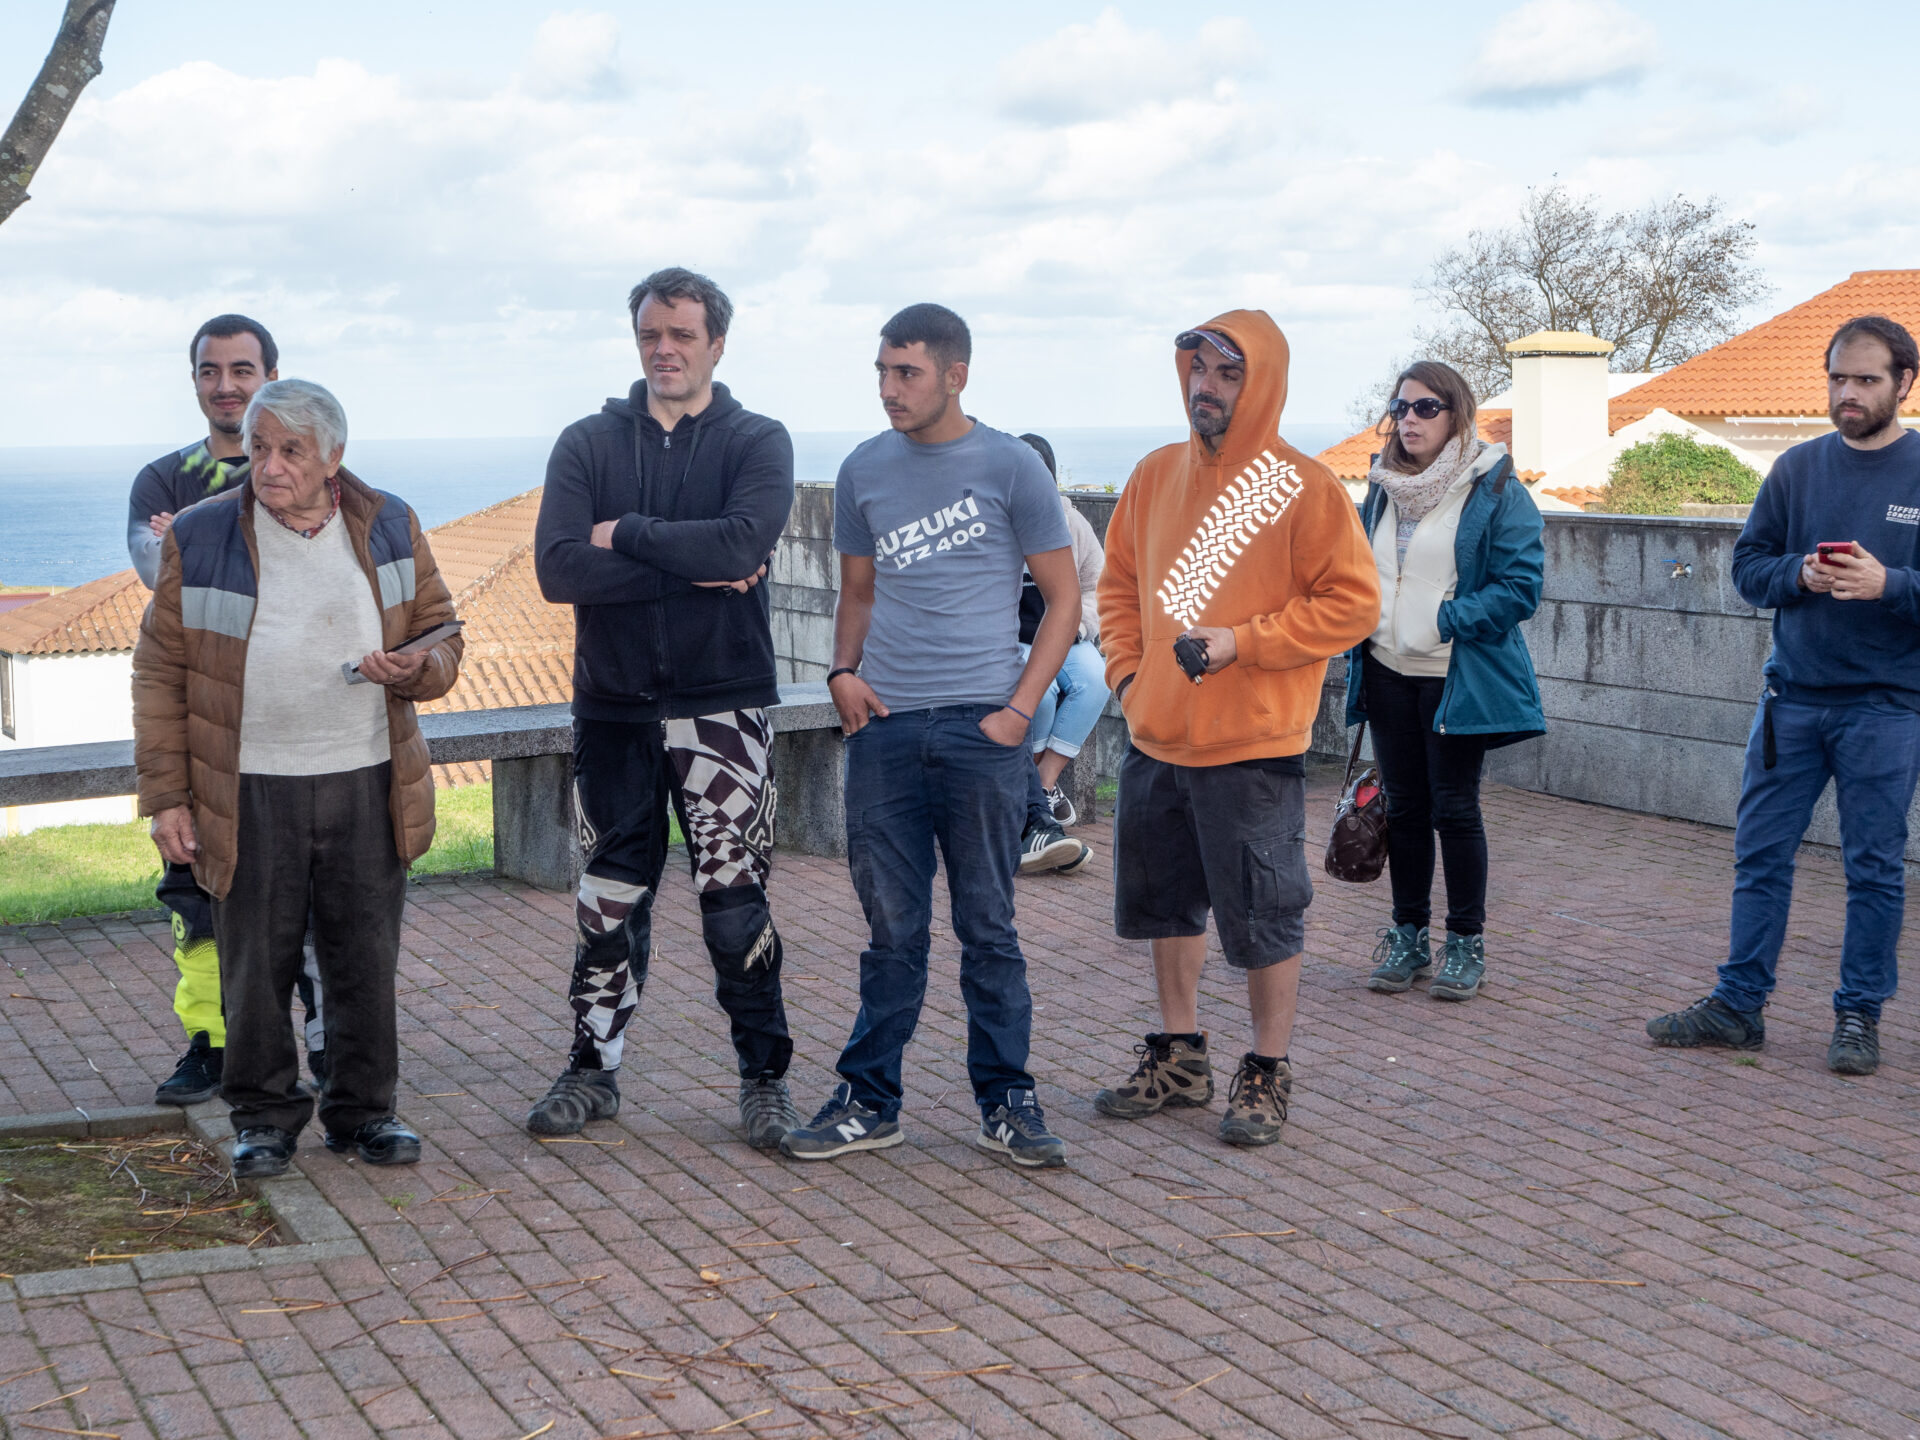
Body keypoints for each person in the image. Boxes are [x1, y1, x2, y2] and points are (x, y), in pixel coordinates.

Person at [132, 379, 463, 1178]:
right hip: (245, 787)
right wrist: (167, 796)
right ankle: (264, 1118)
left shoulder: (390, 524)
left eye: (291, 450)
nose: (269, 466)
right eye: (260, 448)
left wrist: (417, 669)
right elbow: (160, 672)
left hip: (368, 779)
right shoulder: (203, 534)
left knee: (363, 960)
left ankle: (364, 1114)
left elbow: (443, 633)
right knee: (254, 964)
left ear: (333, 458)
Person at [780, 303, 1082, 1168]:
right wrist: (842, 672)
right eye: (882, 371)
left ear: (955, 375)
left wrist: (1018, 711)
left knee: (989, 927)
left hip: (983, 732)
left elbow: (1064, 600)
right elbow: (859, 592)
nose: (889, 388)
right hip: (884, 729)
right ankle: (870, 1101)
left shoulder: (1011, 465)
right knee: (892, 932)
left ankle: (1007, 1100)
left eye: (906, 372)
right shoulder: (863, 469)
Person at [530, 267, 801, 1148]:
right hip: (612, 712)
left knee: (736, 905)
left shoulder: (758, 440)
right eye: (651, 333)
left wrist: (628, 535)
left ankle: (765, 1079)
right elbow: (558, 569)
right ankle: (591, 1069)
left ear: (717, 343)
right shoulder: (586, 443)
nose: (664, 349)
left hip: (723, 709)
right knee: (606, 902)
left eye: (682, 334)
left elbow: (741, 543)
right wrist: (694, 568)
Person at [1093, 313, 1378, 1147]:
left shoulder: (1303, 486)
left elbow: (1352, 605)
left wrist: (1243, 643)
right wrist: (1128, 679)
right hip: (1155, 739)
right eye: (1197, 368)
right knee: (1166, 908)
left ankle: (1267, 1070)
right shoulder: (1153, 474)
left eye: (1226, 373)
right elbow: (1118, 589)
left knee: (1265, 915)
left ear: (1263, 384)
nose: (1205, 386)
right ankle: (1180, 1057)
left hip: (1253, 746)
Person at [1648, 315, 1920, 1077]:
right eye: (1837, 378)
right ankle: (1738, 1007)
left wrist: (1890, 583)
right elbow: (1748, 569)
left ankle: (1859, 1016)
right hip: (1791, 699)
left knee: (1874, 868)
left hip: (1887, 708)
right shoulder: (1797, 468)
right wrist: (1798, 573)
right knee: (1760, 857)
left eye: (1865, 379)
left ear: (1905, 383)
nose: (1847, 393)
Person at [125, 314, 326, 1108]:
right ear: (195, 381)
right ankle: (212, 1046)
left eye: (243, 370)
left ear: (271, 375)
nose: (226, 385)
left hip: (298, 729)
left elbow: (308, 576)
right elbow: (157, 571)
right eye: (210, 371)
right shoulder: (161, 477)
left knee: (315, 906)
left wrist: (198, 538)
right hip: (201, 730)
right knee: (197, 901)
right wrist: (204, 546)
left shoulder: (310, 466)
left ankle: (330, 1050)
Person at [1345, 361, 1545, 1002]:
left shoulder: (1495, 488)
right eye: (1400, 408)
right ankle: (1408, 937)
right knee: (1403, 808)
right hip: (1385, 669)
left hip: (1452, 674)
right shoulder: (1381, 487)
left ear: (1457, 413)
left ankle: (1465, 944)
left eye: (1426, 407)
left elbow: (1520, 588)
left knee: (1454, 810)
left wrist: (1442, 620)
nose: (1410, 419)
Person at [1010, 433, 1105, 879]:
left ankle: (1043, 787)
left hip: (1067, 635)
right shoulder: (996, 523)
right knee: (1042, 693)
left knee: (1097, 679)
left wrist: (1079, 627)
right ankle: (1033, 809)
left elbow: (1097, 587)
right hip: (1015, 640)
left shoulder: (1072, 523)